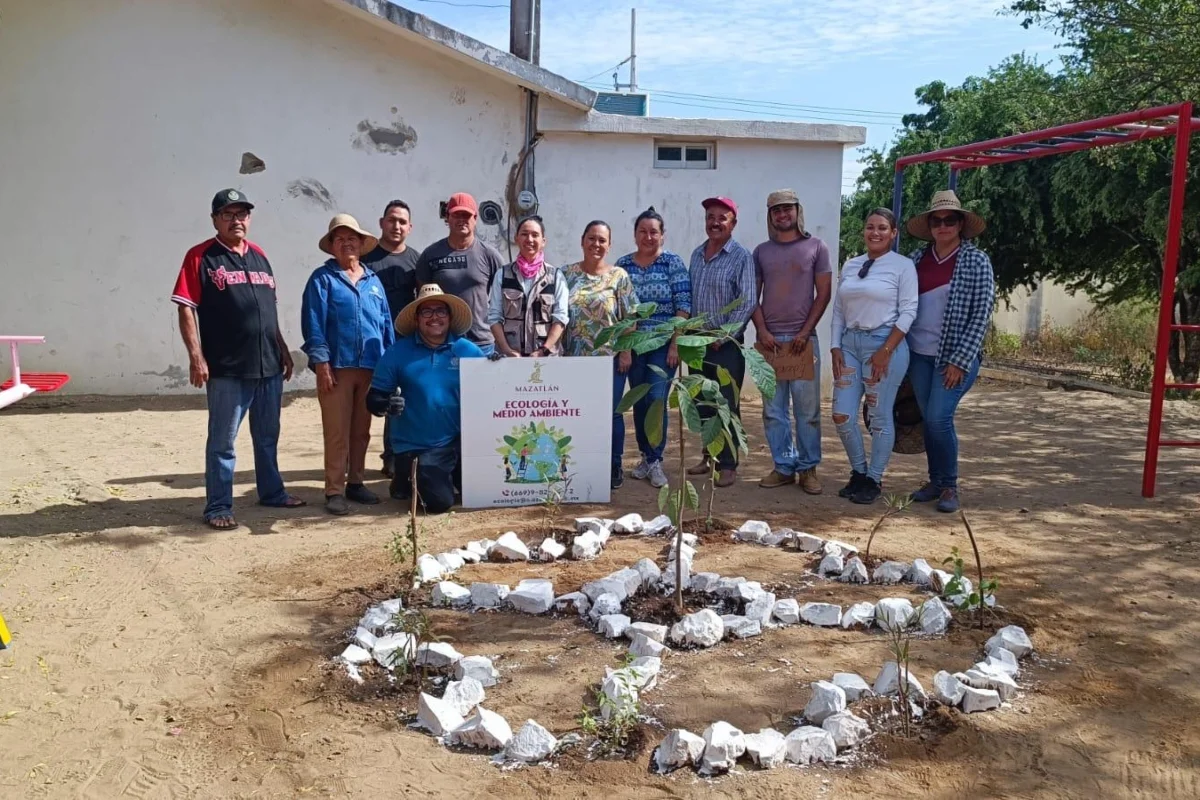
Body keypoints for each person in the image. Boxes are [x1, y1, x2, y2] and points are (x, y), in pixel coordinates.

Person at [170, 189, 305, 530]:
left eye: (242, 214)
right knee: (223, 442)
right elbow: (186, 306)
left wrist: (282, 347)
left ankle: (272, 492)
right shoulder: (201, 256)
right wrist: (196, 356)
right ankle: (218, 506)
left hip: (268, 365)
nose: (236, 220)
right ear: (215, 219)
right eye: (228, 214)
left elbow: (267, 309)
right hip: (228, 368)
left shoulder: (259, 255)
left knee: (267, 436)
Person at [904, 191, 996, 513]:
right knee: (929, 420)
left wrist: (960, 360)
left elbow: (981, 314)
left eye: (950, 220)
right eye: (937, 220)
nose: (943, 225)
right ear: (930, 225)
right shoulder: (916, 260)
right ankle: (935, 480)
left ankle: (949, 485)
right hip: (918, 354)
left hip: (954, 356)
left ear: (960, 224)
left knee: (939, 417)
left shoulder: (977, 262)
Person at [301, 214, 395, 516]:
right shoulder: (322, 279)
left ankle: (356, 482)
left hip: (371, 367)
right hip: (337, 368)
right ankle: (334, 490)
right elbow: (313, 323)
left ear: (361, 243)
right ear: (332, 246)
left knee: (362, 430)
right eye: (339, 239)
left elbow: (385, 325)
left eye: (351, 238)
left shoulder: (373, 281)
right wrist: (321, 363)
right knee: (337, 431)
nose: (346, 243)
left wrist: (390, 365)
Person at [368, 285, 486, 513]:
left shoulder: (468, 350)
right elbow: (373, 398)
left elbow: (491, 390)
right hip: (418, 446)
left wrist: (499, 368)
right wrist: (386, 404)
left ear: (450, 317)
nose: (435, 317)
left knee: (481, 492)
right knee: (440, 503)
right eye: (427, 312)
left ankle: (423, 478)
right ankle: (406, 477)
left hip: (461, 444)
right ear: (417, 319)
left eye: (441, 311)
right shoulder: (397, 353)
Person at [830, 208, 919, 505]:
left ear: (893, 233)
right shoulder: (851, 264)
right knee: (841, 414)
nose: (875, 233)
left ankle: (874, 478)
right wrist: (834, 348)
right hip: (850, 346)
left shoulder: (902, 266)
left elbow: (908, 311)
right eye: (870, 227)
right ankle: (858, 471)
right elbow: (839, 311)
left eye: (883, 228)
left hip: (884, 344)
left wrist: (885, 351)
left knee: (879, 415)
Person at [751, 189, 833, 494]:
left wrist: (804, 331)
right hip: (770, 344)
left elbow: (823, 294)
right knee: (773, 410)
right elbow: (752, 296)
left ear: (798, 211)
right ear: (770, 216)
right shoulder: (761, 252)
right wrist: (761, 330)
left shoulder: (816, 247)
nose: (782, 215)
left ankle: (808, 468)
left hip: (802, 342)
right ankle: (783, 466)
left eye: (787, 209)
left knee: (807, 411)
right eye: (776, 210)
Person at [615, 207, 692, 489]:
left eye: (654, 232)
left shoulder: (672, 262)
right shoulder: (623, 265)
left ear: (662, 235)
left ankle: (656, 458)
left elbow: (684, 305)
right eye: (643, 231)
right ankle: (646, 458)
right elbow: (620, 311)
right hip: (634, 345)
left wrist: (675, 344)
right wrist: (624, 348)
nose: (648, 237)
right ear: (635, 234)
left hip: (663, 345)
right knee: (638, 399)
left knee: (657, 400)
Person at [687, 196, 757, 488]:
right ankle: (709, 456)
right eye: (710, 217)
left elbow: (748, 301)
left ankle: (728, 464)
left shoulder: (742, 257)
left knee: (725, 404)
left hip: (725, 345)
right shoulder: (696, 254)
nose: (715, 223)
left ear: (733, 223)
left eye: (722, 218)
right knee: (701, 402)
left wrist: (723, 335)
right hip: (696, 343)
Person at [563, 220, 639, 489]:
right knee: (577, 413)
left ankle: (613, 464)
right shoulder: (566, 274)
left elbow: (630, 317)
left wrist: (626, 352)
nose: (596, 244)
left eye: (602, 240)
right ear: (582, 240)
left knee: (611, 413)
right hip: (574, 359)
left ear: (609, 245)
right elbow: (558, 315)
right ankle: (581, 463)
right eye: (591, 238)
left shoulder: (619, 276)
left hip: (610, 359)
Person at [363, 199, 419, 479]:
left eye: (402, 222)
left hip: (403, 342)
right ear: (382, 222)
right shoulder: (366, 257)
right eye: (391, 220)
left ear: (410, 227)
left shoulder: (415, 261)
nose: (396, 226)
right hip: (369, 343)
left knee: (398, 402)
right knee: (370, 401)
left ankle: (393, 457)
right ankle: (352, 464)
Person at [415, 192, 504, 355]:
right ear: (447, 218)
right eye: (456, 215)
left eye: (467, 215)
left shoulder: (490, 256)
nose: (462, 219)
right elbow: (423, 300)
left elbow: (502, 299)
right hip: (442, 343)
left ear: (475, 219)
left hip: (482, 343)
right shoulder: (430, 255)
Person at [487, 216, 569, 357]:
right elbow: (494, 317)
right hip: (511, 358)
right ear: (516, 238)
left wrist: (544, 350)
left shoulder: (555, 276)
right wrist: (507, 350)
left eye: (535, 235)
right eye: (524, 234)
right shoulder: (502, 275)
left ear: (543, 241)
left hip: (546, 358)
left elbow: (560, 318)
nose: (529, 239)